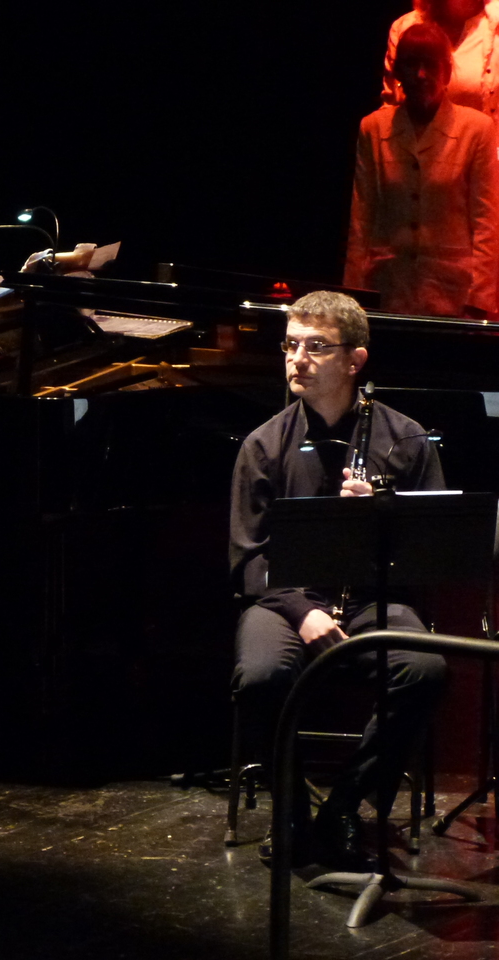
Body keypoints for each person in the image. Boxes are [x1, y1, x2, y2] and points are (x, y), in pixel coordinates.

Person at [229, 290, 447, 869]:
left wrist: (382, 515)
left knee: (424, 669)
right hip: (284, 603)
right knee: (260, 676)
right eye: (290, 345)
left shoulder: (406, 439)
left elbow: (429, 554)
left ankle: (344, 808)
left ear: (355, 360)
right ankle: (291, 812)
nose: (297, 359)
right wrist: (303, 611)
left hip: (374, 599)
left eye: (316, 347)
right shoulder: (263, 445)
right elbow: (248, 557)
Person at [346, 22, 499, 319]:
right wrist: (353, 297)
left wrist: (480, 303)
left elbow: (487, 224)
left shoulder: (477, 130)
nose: (420, 74)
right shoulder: (373, 129)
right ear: (398, 72)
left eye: (430, 64)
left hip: (454, 300)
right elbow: (361, 219)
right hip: (388, 293)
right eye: (411, 64)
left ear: (447, 71)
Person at [381, 0, 498, 125]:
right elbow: (391, 109)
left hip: (484, 137)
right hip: (415, 137)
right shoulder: (405, 26)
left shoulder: (496, 25)